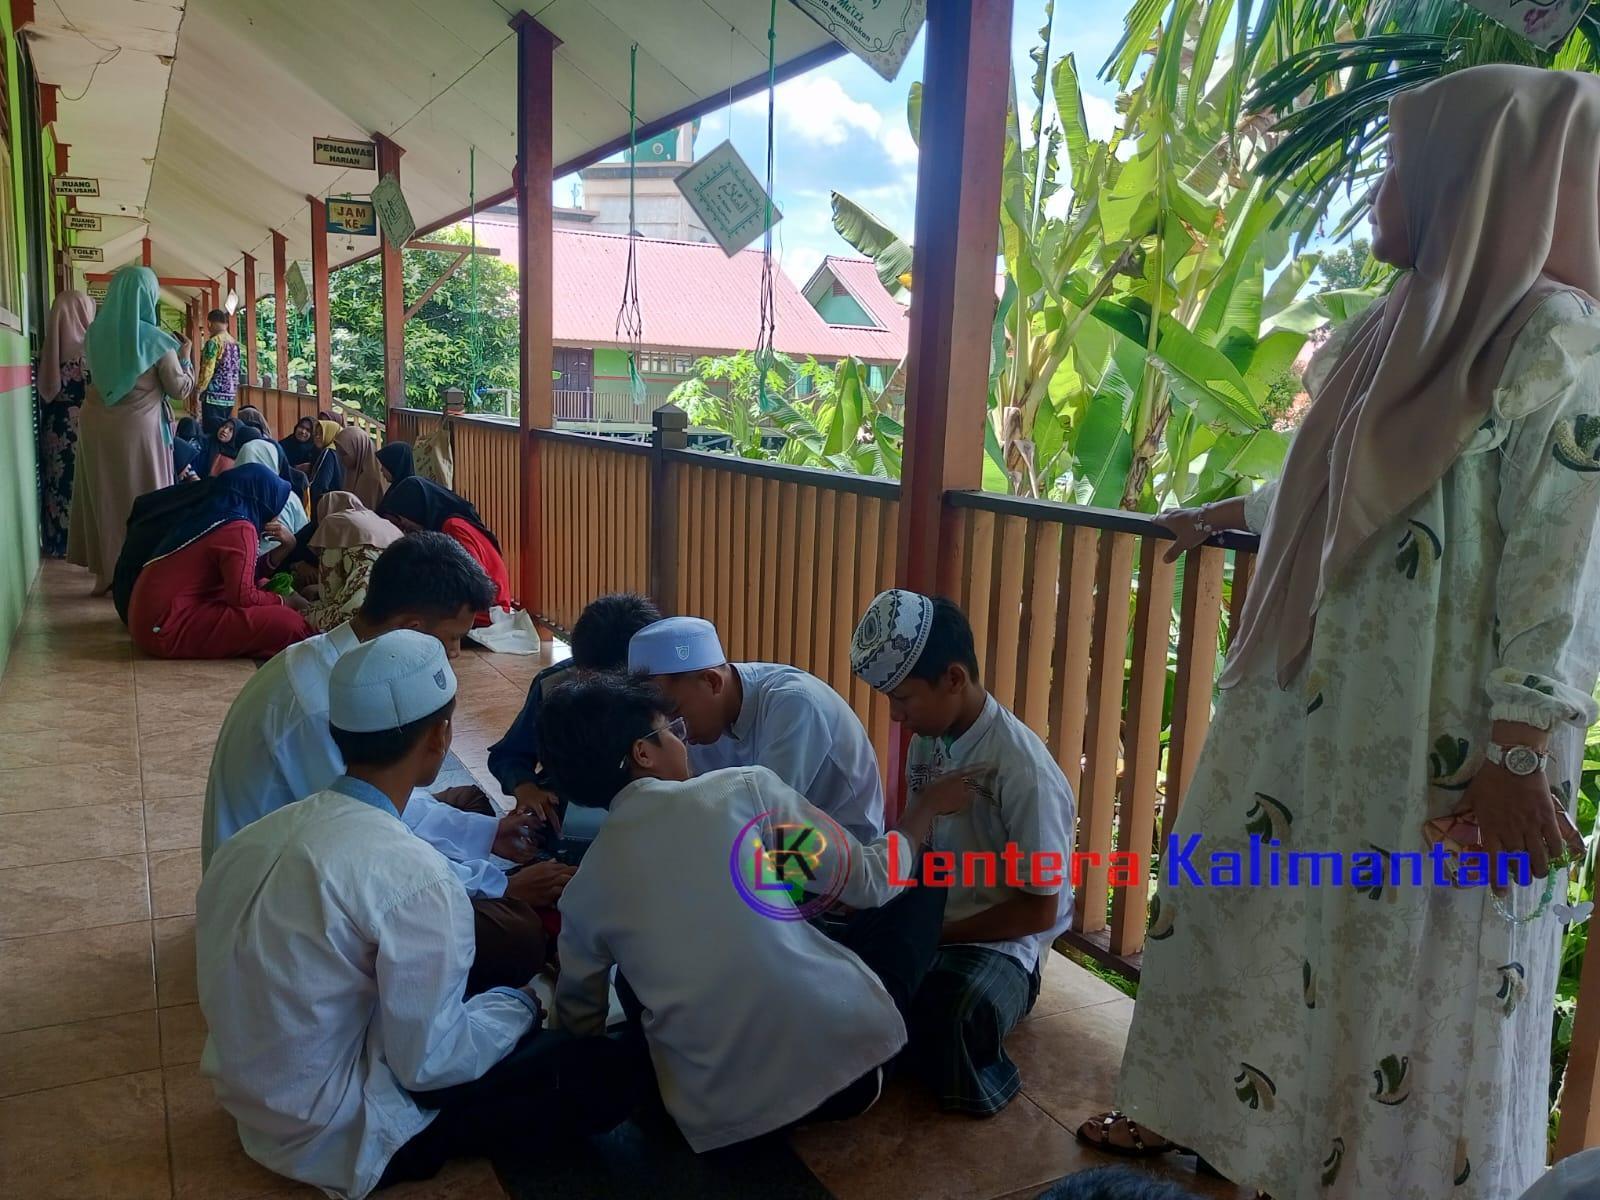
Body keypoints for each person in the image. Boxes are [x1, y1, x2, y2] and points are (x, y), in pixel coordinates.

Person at [1093, 67, 1600, 1200]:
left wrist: (1518, 755)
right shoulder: (1391, 327)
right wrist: (1230, 514)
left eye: (1397, 170)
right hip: (1320, 707)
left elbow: (1562, 562)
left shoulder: (1556, 342)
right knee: (1281, 923)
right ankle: (1253, 1146)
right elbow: (1343, 485)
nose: (1377, 196)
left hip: (1449, 737)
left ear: (1468, 181)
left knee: (1411, 978)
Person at [197, 630, 638, 1199]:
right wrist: (520, 1005)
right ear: (441, 736)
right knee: (602, 1072)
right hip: (341, 1132)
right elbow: (431, 1065)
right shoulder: (415, 877)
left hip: (258, 1102)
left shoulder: (258, 837)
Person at [543, 672, 974, 1152]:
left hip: (715, 1122)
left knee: (634, 969)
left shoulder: (585, 889)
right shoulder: (742, 794)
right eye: (672, 733)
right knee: (918, 874)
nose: (683, 744)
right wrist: (924, 810)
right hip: (848, 1079)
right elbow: (870, 881)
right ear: (643, 753)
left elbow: (578, 1022)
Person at [202, 531, 563, 991]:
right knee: (517, 936)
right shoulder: (321, 705)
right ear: (412, 629)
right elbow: (369, 837)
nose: (456, 655)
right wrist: (499, 887)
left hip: (325, 841)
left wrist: (488, 835)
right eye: (453, 639)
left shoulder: (329, 659)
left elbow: (378, 800)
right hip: (276, 908)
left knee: (470, 802)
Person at [850, 590, 1076, 1117]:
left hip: (997, 943)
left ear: (954, 678)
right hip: (936, 919)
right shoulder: (929, 739)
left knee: (955, 1013)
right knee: (837, 960)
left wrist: (930, 935)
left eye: (904, 700)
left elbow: (1040, 910)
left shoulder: (1023, 771)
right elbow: (920, 851)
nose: (897, 717)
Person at [627, 616, 884, 842]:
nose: (674, 730)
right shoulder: (701, 723)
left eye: (675, 712)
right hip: (775, 854)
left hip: (845, 857)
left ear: (712, 682)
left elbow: (764, 824)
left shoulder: (794, 703)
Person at [487, 592, 662, 829]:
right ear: (581, 669)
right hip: (573, 808)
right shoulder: (553, 686)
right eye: (595, 684)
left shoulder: (666, 687)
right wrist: (526, 788)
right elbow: (508, 754)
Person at [67, 265, 193, 593]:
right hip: (140, 433)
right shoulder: (156, 341)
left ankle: (105, 571)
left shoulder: (94, 334)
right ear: (148, 296)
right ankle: (139, 571)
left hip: (97, 427)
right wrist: (187, 358)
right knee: (144, 499)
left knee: (104, 496)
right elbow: (179, 388)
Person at [127, 463, 314, 660]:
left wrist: (286, 547)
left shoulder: (217, 513)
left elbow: (242, 576)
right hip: (166, 627)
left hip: (149, 619)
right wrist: (286, 602)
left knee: (266, 587)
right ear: (262, 497)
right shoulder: (240, 528)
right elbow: (242, 597)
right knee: (289, 624)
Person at [378, 477, 511, 620]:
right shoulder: (447, 526)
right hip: (482, 607)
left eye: (405, 525)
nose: (406, 531)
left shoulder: (453, 527)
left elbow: (471, 586)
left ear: (418, 510)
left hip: (489, 611)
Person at [36, 289, 95, 557]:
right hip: (83, 426)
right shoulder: (91, 350)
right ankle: (79, 544)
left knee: (55, 483)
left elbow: (46, 388)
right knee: (80, 484)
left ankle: (55, 541)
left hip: (54, 425)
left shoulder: (51, 348)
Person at [301, 492, 402, 633]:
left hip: (361, 613)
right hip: (400, 610)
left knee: (301, 616)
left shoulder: (334, 524)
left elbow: (328, 593)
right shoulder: (386, 525)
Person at [195, 308, 240, 434]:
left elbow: (207, 370)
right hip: (230, 396)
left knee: (211, 433)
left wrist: (199, 390)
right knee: (224, 432)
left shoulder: (214, 342)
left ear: (209, 323)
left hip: (213, 396)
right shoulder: (234, 343)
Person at [333, 425, 385, 508]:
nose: (340, 458)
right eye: (339, 453)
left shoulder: (370, 479)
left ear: (358, 449)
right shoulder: (352, 470)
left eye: (344, 454)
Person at [308, 418, 346, 509]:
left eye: (321, 433)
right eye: (316, 433)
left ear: (331, 433)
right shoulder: (343, 451)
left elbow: (321, 483)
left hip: (327, 504)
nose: (317, 437)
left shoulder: (329, 452)